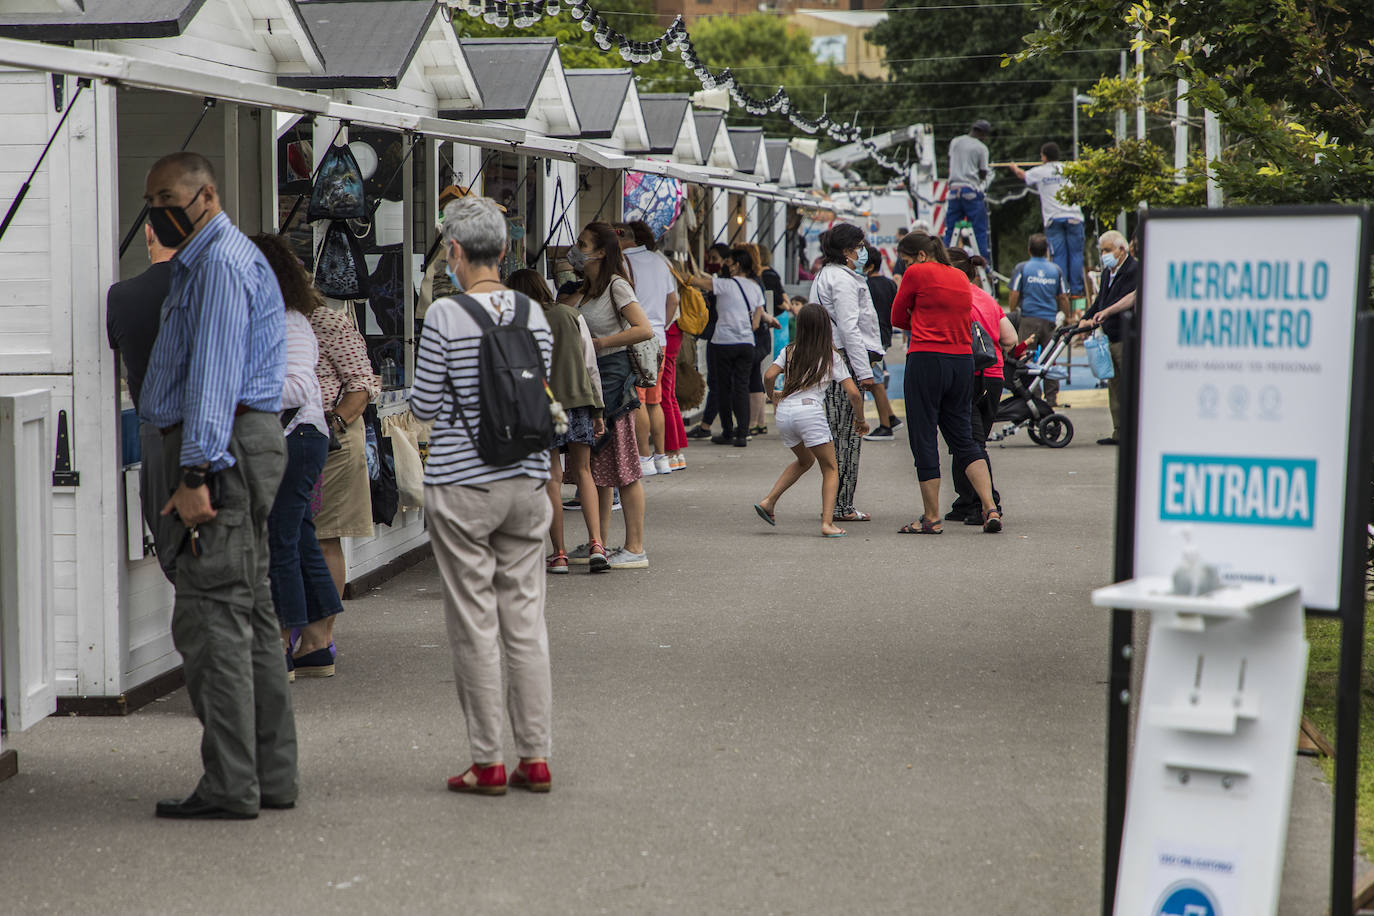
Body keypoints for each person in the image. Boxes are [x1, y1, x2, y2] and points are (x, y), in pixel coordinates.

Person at [139, 152, 296, 819]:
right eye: (150, 199)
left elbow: (214, 374)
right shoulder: (207, 262)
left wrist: (197, 470)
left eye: (168, 197)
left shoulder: (221, 265)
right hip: (239, 440)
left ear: (207, 196)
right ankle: (269, 774)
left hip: (220, 446)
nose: (157, 211)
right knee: (252, 617)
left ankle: (232, 784)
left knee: (214, 621)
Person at [409, 195, 556, 796]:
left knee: (475, 624)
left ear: (457, 252)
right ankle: (536, 758)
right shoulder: (533, 313)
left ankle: (487, 761)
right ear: (506, 250)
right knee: (525, 622)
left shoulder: (446, 316)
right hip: (528, 481)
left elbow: (421, 407)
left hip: (463, 485)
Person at [251, 234, 342, 680]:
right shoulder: (281, 318)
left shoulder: (286, 321)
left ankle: (283, 648)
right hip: (301, 435)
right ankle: (316, 644)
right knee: (301, 537)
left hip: (295, 435)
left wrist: (238, 396)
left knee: (281, 539)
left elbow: (300, 387)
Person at [890, 230, 1002, 535]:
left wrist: (919, 315)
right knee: (964, 438)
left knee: (924, 436)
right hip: (962, 362)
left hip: (927, 360)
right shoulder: (959, 277)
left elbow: (897, 317)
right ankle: (989, 507)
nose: (904, 267)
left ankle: (932, 518)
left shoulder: (916, 273)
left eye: (905, 260)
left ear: (921, 256)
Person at [565, 222, 655, 569]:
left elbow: (643, 328)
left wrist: (600, 343)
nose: (577, 248)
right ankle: (597, 542)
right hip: (593, 384)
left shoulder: (616, 286)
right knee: (600, 469)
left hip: (614, 384)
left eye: (582, 244)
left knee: (625, 469)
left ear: (601, 251)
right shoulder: (587, 289)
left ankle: (635, 547)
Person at [507, 269, 607, 574]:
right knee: (583, 472)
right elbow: (590, 365)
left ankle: (560, 554)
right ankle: (597, 545)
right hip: (578, 403)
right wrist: (598, 410)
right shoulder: (571, 315)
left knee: (552, 476)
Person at [753, 303, 869, 537]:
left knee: (805, 460)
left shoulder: (789, 351)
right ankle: (827, 523)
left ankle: (769, 501)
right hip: (810, 413)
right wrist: (860, 419)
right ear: (826, 328)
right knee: (831, 467)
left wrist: (772, 396)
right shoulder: (831, 356)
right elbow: (854, 393)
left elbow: (769, 375)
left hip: (785, 414)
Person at [106, 222, 176, 582]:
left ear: (149, 233)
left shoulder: (122, 296)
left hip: (157, 433)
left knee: (173, 548)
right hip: (225, 430)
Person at [310, 293, 380, 632]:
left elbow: (362, 381)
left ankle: (321, 636)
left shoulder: (326, 320)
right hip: (287, 440)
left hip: (332, 438)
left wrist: (334, 423)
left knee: (325, 535)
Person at [808, 223, 881, 523]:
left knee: (836, 436)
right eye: (859, 246)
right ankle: (842, 505)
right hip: (846, 363)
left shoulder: (825, 275)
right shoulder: (843, 281)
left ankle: (836, 502)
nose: (863, 251)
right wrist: (864, 373)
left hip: (830, 360)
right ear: (847, 250)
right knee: (848, 437)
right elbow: (850, 328)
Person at [947, 248, 1017, 524]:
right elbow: (1009, 337)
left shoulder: (953, 297)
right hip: (995, 375)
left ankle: (986, 504)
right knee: (968, 440)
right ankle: (965, 501)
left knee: (970, 443)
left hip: (969, 374)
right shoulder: (987, 298)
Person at [616, 221, 678, 477]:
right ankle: (661, 457)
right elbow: (673, 300)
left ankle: (644, 457)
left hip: (636, 336)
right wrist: (660, 325)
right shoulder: (659, 261)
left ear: (620, 237)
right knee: (655, 401)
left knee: (638, 401)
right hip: (659, 337)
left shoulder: (622, 263)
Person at [688, 247, 768, 448]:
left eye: (729, 263)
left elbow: (694, 281)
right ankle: (742, 434)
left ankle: (727, 432)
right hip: (747, 343)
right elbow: (757, 322)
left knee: (723, 388)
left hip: (723, 342)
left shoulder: (724, 285)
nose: (726, 266)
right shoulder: (755, 287)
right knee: (741, 387)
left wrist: (676, 270)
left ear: (737, 265)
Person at [1079, 229, 1139, 445]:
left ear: (1121, 250)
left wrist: (1104, 313)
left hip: (1125, 336)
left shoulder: (1134, 270)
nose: (1104, 254)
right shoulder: (1107, 273)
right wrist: (1086, 319)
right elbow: (1100, 302)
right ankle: (1119, 432)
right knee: (1114, 387)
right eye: (1102, 250)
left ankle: (1133, 433)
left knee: (1130, 385)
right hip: (1109, 337)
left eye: (1107, 250)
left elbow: (1129, 299)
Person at [1010, 143, 1084, 301]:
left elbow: (1023, 176)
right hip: (1074, 217)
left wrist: (1014, 167)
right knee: (1076, 255)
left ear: (1044, 156)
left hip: (1053, 219)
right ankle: (1077, 291)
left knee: (1059, 256)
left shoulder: (1040, 171)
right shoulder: (1068, 167)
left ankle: (1062, 290)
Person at [1007, 234, 1071, 406]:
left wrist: (1013, 313)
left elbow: (1014, 293)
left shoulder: (1023, 268)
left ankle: (1033, 397)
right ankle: (1051, 399)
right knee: (1050, 359)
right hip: (1050, 321)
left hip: (1028, 320)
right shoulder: (1055, 270)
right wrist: (1067, 317)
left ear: (1029, 250)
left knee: (1025, 359)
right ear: (1046, 251)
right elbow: (1063, 297)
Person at [860, 243, 903, 441]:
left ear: (867, 266)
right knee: (876, 377)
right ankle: (891, 417)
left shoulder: (865, 286)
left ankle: (885, 426)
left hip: (871, 339)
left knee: (876, 381)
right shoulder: (889, 284)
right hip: (885, 336)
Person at [739, 242, 783, 436]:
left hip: (755, 333)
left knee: (753, 376)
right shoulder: (759, 278)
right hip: (761, 333)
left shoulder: (753, 281)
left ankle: (754, 422)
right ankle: (759, 421)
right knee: (755, 375)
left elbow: (759, 310)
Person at [942, 120, 993, 267]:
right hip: (970, 191)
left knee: (950, 229)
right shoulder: (981, 148)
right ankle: (983, 262)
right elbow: (983, 173)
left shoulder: (955, 142)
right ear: (983, 134)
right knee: (979, 229)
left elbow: (949, 162)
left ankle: (944, 259)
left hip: (953, 191)